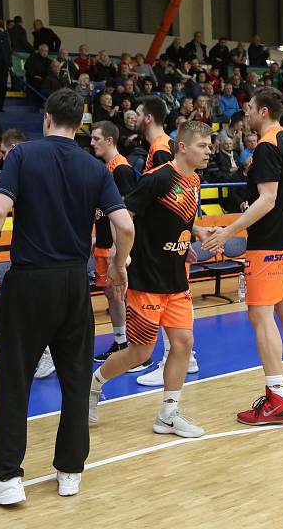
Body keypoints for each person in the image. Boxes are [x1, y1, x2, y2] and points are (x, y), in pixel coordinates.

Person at [0, 89, 132, 504]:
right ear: (79, 124)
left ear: (47, 118)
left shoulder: (22, 156)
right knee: (75, 379)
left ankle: (6, 481)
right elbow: (124, 227)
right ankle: (70, 472)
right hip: (74, 282)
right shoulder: (96, 168)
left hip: (29, 281)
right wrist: (118, 265)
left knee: (14, 380)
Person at [89, 120, 213, 440]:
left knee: (184, 343)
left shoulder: (195, 180)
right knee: (141, 352)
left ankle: (168, 414)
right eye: (203, 145)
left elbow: (179, 217)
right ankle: (93, 385)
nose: (209, 150)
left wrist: (190, 237)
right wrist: (122, 258)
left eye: (210, 145)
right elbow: (124, 216)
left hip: (175, 278)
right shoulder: (157, 178)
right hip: (147, 277)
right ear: (183, 147)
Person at [203, 87, 283, 425]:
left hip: (269, 245)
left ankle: (275, 396)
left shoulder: (266, 145)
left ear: (263, 111)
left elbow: (268, 200)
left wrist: (228, 230)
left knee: (261, 317)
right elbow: (277, 195)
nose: (246, 111)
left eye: (249, 106)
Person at [88, 120, 140, 373]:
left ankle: (135, 348)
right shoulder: (106, 168)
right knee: (112, 294)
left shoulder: (122, 170)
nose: (92, 143)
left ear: (110, 140)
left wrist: (122, 252)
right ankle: (120, 341)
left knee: (122, 294)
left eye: (96, 138)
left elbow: (127, 214)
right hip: (105, 242)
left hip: (117, 248)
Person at [138, 96, 174, 173]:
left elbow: (165, 184)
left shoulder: (161, 148)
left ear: (148, 118)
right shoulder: (161, 144)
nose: (134, 118)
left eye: (138, 114)